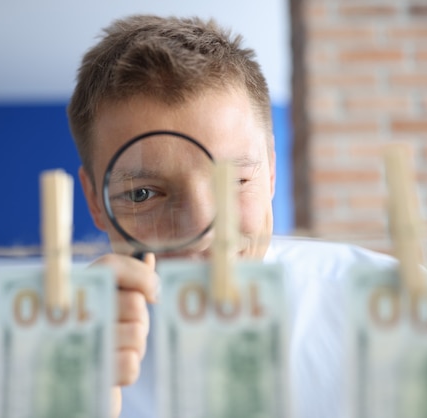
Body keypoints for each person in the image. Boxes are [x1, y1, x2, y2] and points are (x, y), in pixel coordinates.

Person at [67, 14, 395, 418]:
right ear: (95, 201)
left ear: (271, 172)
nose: (200, 231)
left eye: (234, 179)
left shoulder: (404, 312)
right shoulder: (62, 359)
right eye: (143, 193)